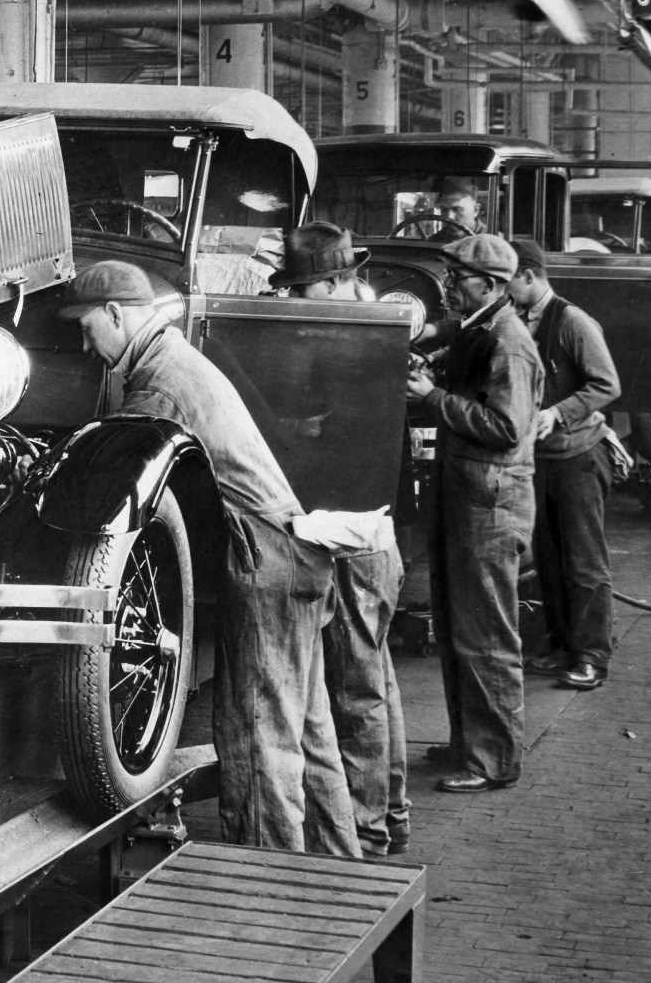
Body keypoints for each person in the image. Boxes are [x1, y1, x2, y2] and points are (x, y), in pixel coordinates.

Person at [58, 259, 360, 856]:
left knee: (258, 739)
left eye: (87, 328)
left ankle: (265, 883)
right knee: (308, 733)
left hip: (266, 560)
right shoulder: (175, 357)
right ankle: (342, 868)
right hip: (298, 552)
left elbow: (107, 492)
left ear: (115, 314)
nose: (86, 346)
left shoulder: (159, 387)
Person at [271, 223, 410, 857]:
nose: (292, 301)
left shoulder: (360, 337)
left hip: (355, 537)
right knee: (375, 679)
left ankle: (369, 831)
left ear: (331, 282)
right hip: (369, 532)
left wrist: (299, 428)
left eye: (300, 289)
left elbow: (343, 435)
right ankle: (391, 813)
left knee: (356, 691)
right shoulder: (371, 325)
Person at [407, 234, 542, 793]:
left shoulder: (509, 344)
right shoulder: (479, 330)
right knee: (460, 627)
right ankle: (470, 743)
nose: (447, 286)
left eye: (456, 277)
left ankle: (493, 760)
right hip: (467, 498)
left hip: (490, 505)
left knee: (485, 634)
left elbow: (507, 427)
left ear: (487, 284)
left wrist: (431, 398)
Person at [506, 241, 622, 692]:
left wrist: (558, 412)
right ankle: (561, 646)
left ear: (529, 276)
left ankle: (592, 656)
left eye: (508, 280)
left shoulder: (573, 321)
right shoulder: (519, 318)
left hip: (579, 458)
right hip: (541, 460)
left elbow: (607, 384)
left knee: (583, 562)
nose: (503, 290)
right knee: (550, 561)